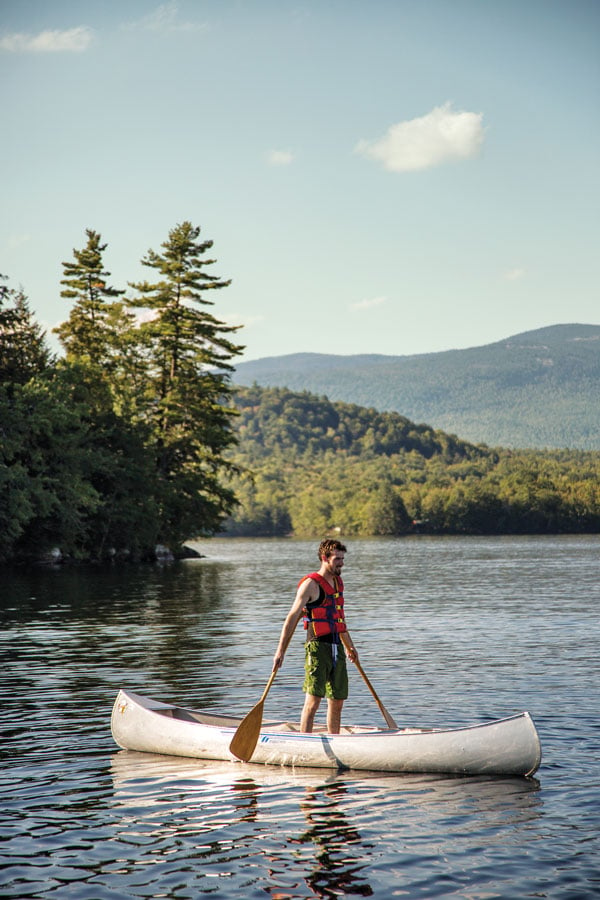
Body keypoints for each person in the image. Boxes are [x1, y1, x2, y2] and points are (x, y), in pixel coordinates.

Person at [273, 538, 359, 734]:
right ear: (324, 558)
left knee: (337, 702)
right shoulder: (310, 585)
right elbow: (291, 619)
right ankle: (305, 741)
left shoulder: (338, 583)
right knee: (313, 701)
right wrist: (280, 652)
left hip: (337, 647)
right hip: (317, 647)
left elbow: (338, 620)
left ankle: (335, 740)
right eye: (337, 559)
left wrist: (350, 647)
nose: (341, 563)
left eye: (342, 558)